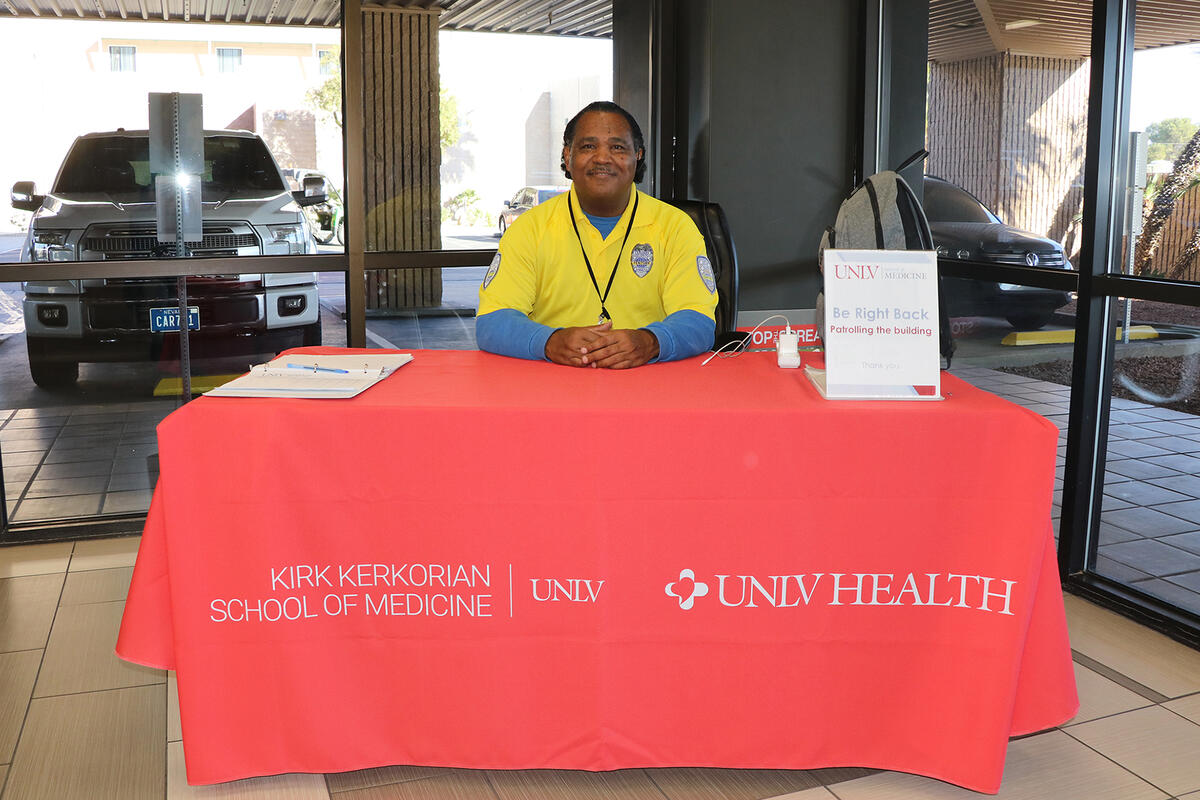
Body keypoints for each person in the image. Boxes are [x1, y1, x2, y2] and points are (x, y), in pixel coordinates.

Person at [476, 101, 717, 369]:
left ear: (637, 156)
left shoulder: (676, 227)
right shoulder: (529, 228)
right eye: (588, 146)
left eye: (617, 147)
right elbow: (492, 321)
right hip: (553, 389)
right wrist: (550, 341)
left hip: (649, 388)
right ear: (567, 156)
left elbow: (699, 321)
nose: (602, 158)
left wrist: (650, 342)